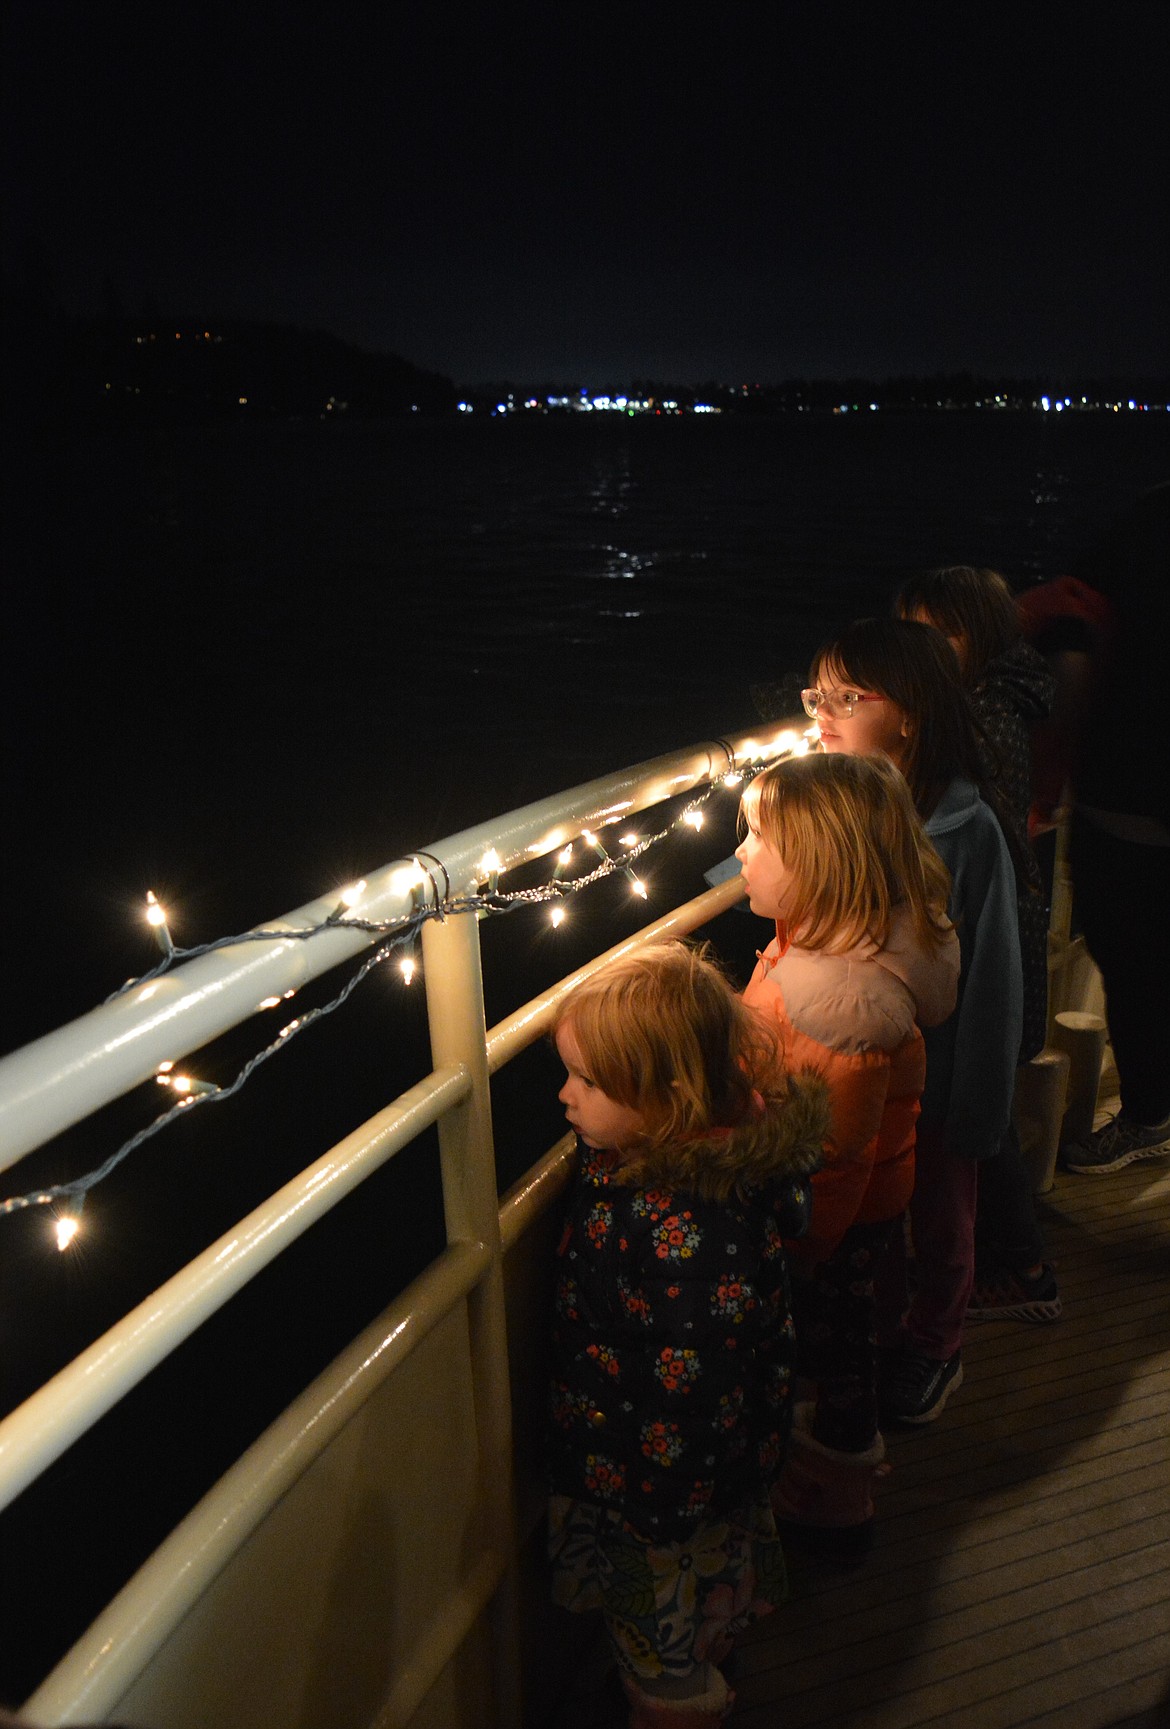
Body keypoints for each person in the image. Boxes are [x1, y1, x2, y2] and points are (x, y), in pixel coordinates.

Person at [547, 941, 828, 1727]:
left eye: (588, 1081)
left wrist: (660, 1507)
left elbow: (695, 1390)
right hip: (666, 1471)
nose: (565, 1097)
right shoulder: (653, 1158)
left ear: (667, 1100)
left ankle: (675, 1705)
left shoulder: (695, 1233)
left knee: (663, 1638)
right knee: (686, 1620)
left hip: (667, 1495)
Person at [737, 752, 958, 1543]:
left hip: (831, 1221)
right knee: (842, 1342)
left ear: (823, 866)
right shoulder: (821, 949)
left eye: (760, 838)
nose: (739, 854)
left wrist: (804, 1243)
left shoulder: (845, 1006)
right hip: (847, 1209)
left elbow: (833, 1154)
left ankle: (838, 1501)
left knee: (837, 1357)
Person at [807, 616, 1024, 1423]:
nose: (821, 712)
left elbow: (994, 978)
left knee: (939, 1212)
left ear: (911, 713)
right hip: (864, 1071)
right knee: (873, 1207)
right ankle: (887, 1328)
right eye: (817, 694)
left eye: (846, 696)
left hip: (940, 1072)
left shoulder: (968, 834)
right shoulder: (839, 806)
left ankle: (939, 1342)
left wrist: (979, 1104)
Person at [894, 566, 1062, 1321]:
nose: (923, 648)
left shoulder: (983, 717)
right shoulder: (1005, 702)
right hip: (1013, 918)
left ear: (977, 637)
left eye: (937, 633)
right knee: (981, 1116)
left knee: (980, 1120)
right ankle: (1014, 1257)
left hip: (998, 934)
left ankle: (1025, 1269)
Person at [1061, 483, 1170, 1172]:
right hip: (1123, 798)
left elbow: (1076, 621)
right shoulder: (1141, 522)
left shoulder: (1139, 527)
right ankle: (1149, 1109)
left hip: (1124, 800)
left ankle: (1148, 1112)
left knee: (1131, 968)